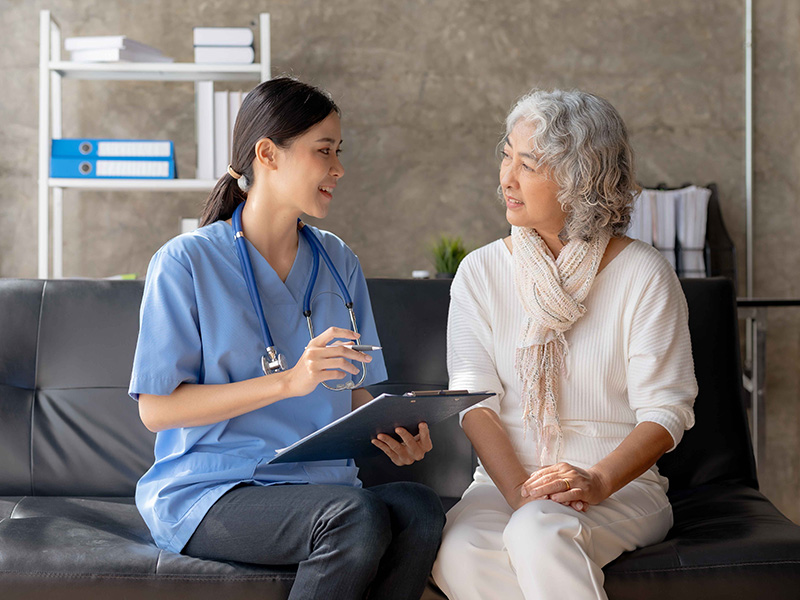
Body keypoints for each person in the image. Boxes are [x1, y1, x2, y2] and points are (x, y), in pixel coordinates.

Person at [129, 77, 444, 600]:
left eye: (339, 152)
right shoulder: (186, 263)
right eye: (324, 151)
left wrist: (397, 426)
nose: (339, 168)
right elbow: (157, 411)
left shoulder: (339, 261)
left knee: (419, 508)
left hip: (320, 487)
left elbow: (353, 389)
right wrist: (289, 382)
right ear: (268, 154)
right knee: (355, 517)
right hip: (213, 490)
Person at [431, 89, 697, 599]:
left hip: (619, 487)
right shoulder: (480, 272)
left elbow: (666, 411)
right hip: (503, 484)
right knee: (460, 550)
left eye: (527, 164)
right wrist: (519, 492)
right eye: (506, 154)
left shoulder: (643, 273)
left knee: (538, 532)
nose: (506, 177)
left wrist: (596, 481)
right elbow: (474, 400)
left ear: (581, 178)